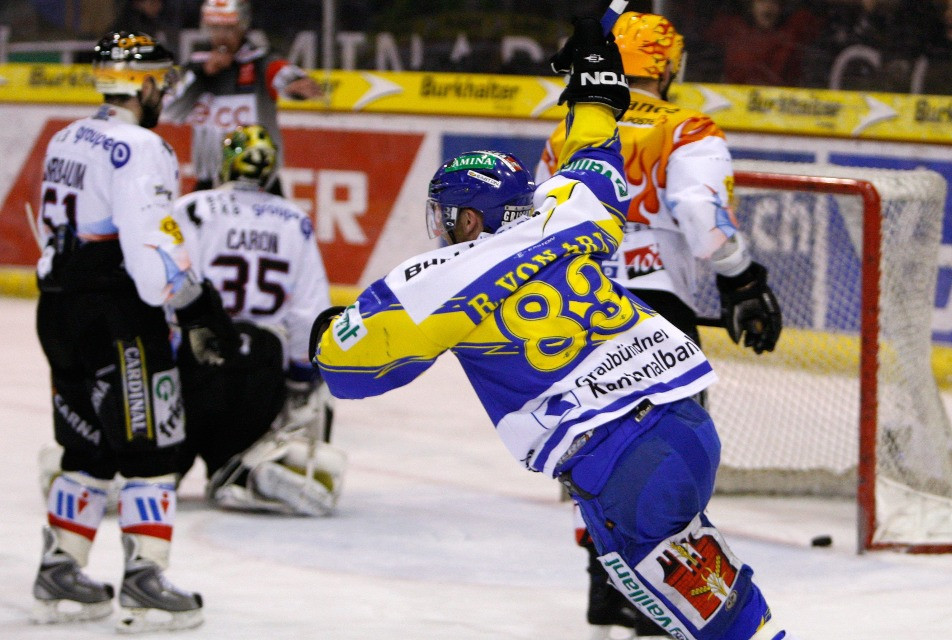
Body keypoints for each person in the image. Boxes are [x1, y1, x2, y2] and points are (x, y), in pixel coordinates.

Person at [310, 16, 797, 640]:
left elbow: (350, 374)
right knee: (707, 594)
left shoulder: (440, 276)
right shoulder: (570, 212)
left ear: (464, 220)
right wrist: (594, 87)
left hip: (619, 462)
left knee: (711, 621)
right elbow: (595, 152)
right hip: (684, 420)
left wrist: (329, 332)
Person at [536, 13, 783, 639]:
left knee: (590, 451)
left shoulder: (570, 132)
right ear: (668, 66)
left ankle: (606, 588)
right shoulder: (685, 127)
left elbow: (537, 227)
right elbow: (701, 215)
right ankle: (673, 603)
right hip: (653, 316)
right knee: (666, 459)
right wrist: (742, 277)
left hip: (576, 310)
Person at [31, 31, 239, 632]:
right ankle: (146, 580)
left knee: (85, 445)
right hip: (117, 318)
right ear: (143, 84)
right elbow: (152, 259)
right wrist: (199, 310)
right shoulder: (140, 147)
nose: (165, 93)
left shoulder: (65, 136)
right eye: (163, 82)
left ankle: (60, 569)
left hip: (59, 311)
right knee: (152, 449)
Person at [172, 123, 346, 516]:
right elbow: (310, 312)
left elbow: (170, 283)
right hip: (261, 367)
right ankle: (244, 472)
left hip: (198, 360)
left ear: (226, 165)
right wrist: (303, 378)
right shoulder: (293, 219)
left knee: (150, 470)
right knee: (317, 396)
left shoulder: (193, 208)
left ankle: (137, 471)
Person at [163, 0, 322, 194]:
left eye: (229, 29)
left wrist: (294, 84)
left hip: (260, 179)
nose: (221, 37)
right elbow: (172, 111)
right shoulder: (196, 66)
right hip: (210, 180)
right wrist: (202, 74)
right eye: (215, 29)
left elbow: (281, 72)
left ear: (242, 27)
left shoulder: (260, 62)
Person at [702, 0, 820, 87]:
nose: (768, 6)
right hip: (734, 101)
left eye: (774, 2)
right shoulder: (732, 28)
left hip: (781, 103)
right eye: (762, 1)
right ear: (751, 5)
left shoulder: (793, 31)